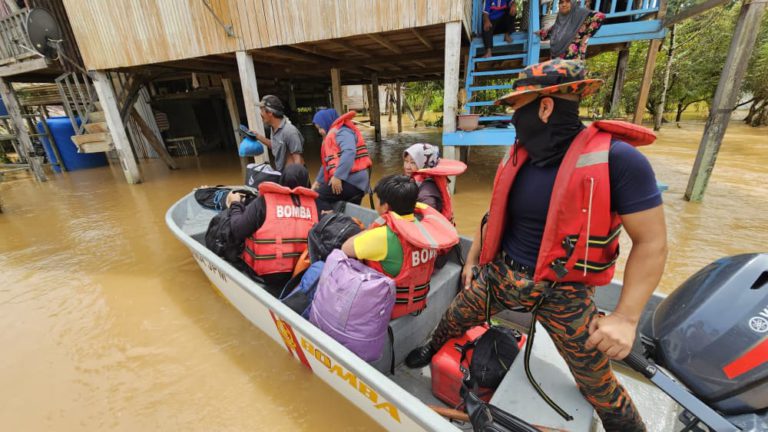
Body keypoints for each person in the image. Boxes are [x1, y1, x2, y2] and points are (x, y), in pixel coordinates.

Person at [404, 59, 667, 432]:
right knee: (454, 317)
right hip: (501, 274)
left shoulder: (618, 161)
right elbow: (491, 215)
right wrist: (472, 261)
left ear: (545, 107)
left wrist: (625, 317)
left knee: (598, 383)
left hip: (564, 291)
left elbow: (652, 241)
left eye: (518, 110)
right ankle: (432, 349)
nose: (514, 121)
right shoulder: (518, 156)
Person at [341, 175, 459, 319]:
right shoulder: (425, 230)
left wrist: (369, 229)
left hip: (386, 308)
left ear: (385, 207)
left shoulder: (383, 235)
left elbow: (345, 248)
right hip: (415, 302)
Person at [226, 165, 318, 295]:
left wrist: (235, 204)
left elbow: (237, 230)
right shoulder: (315, 206)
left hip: (263, 275)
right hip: (299, 274)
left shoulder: (263, 202)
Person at [311, 109, 372, 212]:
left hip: (354, 182)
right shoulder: (332, 135)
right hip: (349, 181)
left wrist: (338, 176)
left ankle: (328, 222)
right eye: (318, 129)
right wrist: (318, 181)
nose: (320, 131)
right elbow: (327, 163)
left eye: (321, 127)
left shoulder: (343, 131)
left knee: (318, 196)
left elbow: (349, 152)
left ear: (327, 122)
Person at [403, 143, 467, 222]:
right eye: (406, 161)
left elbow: (428, 220)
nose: (407, 167)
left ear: (425, 164)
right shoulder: (424, 180)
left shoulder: (426, 191)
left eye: (413, 163)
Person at [249, 95, 305, 172]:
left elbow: (298, 159)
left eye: (262, 110)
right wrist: (257, 136)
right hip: (283, 173)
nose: (260, 114)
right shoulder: (274, 128)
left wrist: (295, 180)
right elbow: (276, 146)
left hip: (293, 176)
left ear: (270, 113)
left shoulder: (289, 131)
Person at [538, 0, 604, 60]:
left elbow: (600, 16)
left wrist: (587, 35)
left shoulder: (583, 15)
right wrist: (542, 33)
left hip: (572, 56)